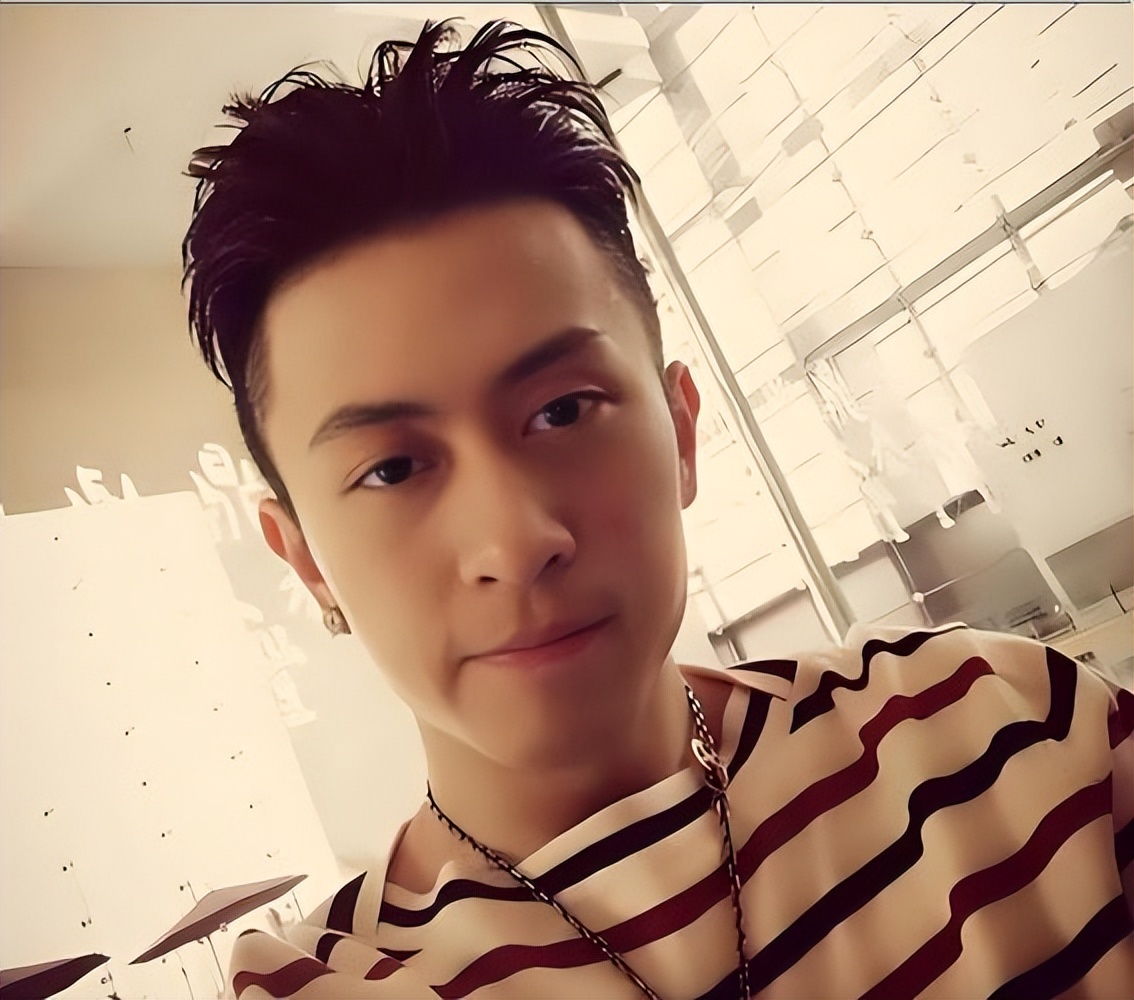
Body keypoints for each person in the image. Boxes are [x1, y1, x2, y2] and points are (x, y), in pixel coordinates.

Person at [182, 18, 1133, 1000]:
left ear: (680, 431)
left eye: (563, 410)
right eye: (391, 468)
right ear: (306, 561)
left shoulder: (1008, 730)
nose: (514, 540)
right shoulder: (322, 985)